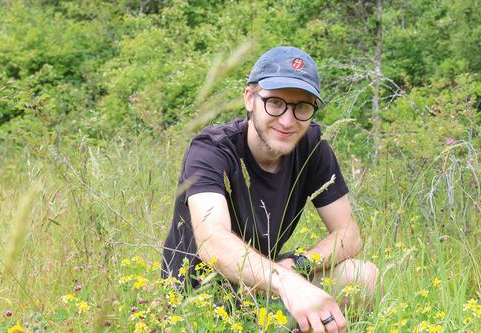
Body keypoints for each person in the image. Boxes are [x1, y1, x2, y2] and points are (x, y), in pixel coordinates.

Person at [162, 46, 379, 333]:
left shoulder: (312, 145)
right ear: (250, 98)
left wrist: (297, 266)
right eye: (275, 103)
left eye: (302, 107)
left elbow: (349, 234)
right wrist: (288, 284)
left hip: (263, 286)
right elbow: (211, 239)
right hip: (199, 300)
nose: (288, 121)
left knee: (363, 276)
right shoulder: (211, 150)